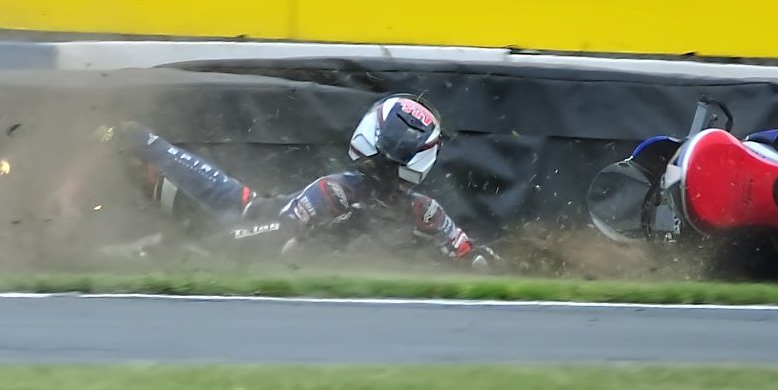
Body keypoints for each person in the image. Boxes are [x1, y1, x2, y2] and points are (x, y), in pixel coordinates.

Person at [104, 94, 500, 268]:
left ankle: (141, 248)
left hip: (237, 220)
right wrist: (195, 249)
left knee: (133, 136)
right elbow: (267, 234)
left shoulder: (419, 211)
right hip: (237, 212)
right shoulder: (339, 192)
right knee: (134, 138)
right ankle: (92, 146)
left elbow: (472, 257)